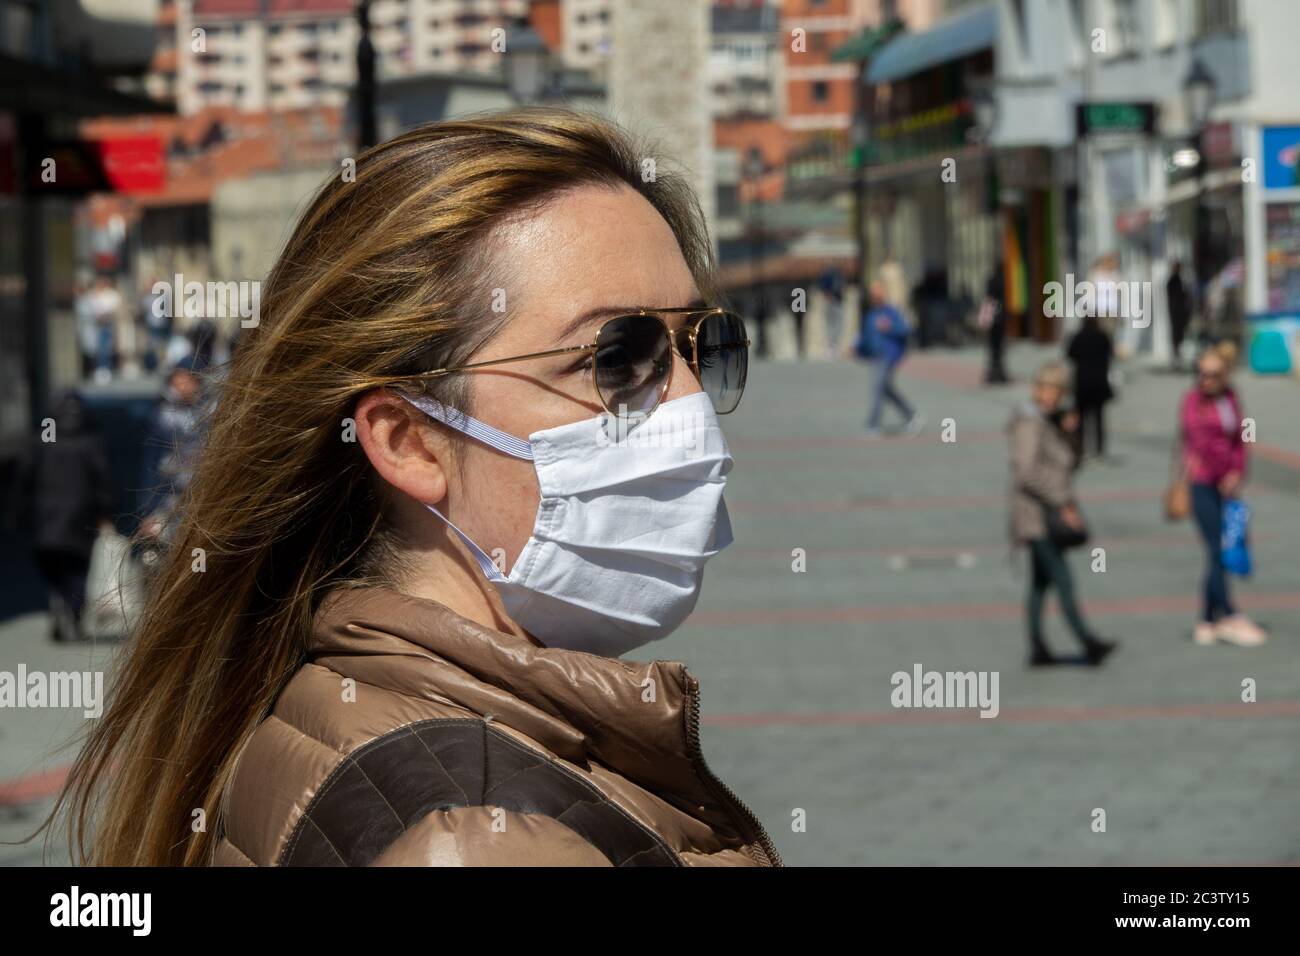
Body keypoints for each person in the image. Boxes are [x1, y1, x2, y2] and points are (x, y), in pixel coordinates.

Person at [48, 109, 780, 868]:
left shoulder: (321, 707)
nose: (689, 403)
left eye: (702, 342)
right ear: (408, 440)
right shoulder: (475, 837)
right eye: (618, 356)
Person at [1007, 362, 1118, 667]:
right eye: (1046, 388)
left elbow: (1071, 464)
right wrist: (1062, 503)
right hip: (1037, 516)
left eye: (1057, 390)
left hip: (1046, 514)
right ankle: (1088, 641)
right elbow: (1027, 473)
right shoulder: (1030, 424)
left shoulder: (1049, 421)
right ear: (1036, 388)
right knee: (1063, 580)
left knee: (1040, 583)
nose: (1051, 396)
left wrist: (1071, 433)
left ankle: (1038, 648)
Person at [1179, 347, 1266, 646]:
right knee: (1217, 549)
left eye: (1213, 375)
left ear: (1225, 375)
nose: (1206, 381)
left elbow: (1243, 437)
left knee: (1223, 549)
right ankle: (1227, 615)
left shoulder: (1231, 398)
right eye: (1201, 374)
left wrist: (1238, 471)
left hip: (1227, 486)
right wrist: (1223, 474)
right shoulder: (1193, 402)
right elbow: (1201, 443)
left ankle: (1207, 619)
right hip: (1202, 483)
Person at [16, 390, 116, 642]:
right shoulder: (89, 439)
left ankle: (60, 602)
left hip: (47, 516)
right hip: (81, 515)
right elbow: (102, 479)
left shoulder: (46, 435)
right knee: (78, 568)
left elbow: (28, 471)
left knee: (55, 568)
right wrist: (106, 511)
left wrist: (20, 509)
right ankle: (73, 611)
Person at [138, 354, 209, 552]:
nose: (183, 384)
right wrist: (148, 511)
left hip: (200, 500)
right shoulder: (161, 417)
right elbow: (150, 465)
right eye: (179, 378)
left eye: (189, 379)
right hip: (168, 500)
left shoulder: (208, 414)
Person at [864, 279, 923, 437]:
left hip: (888, 355)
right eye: (872, 296)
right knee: (886, 389)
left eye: (876, 295)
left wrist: (889, 327)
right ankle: (912, 416)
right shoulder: (871, 314)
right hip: (876, 356)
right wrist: (858, 349)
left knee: (878, 388)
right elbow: (866, 337)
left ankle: (873, 424)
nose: (874, 298)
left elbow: (905, 329)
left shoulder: (891, 311)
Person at [1065, 315, 1114, 461]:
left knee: (1080, 418)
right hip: (1099, 382)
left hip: (1082, 382)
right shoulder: (1102, 336)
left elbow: (1070, 354)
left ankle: (1080, 448)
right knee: (1098, 418)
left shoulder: (1078, 336)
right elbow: (1110, 353)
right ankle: (1099, 449)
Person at [983, 259, 1009, 384]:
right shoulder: (1003, 282)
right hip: (1000, 317)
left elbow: (988, 299)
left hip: (993, 317)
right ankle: (997, 373)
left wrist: (986, 319)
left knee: (994, 348)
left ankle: (994, 373)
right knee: (998, 347)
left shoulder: (991, 281)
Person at [1166, 260, 1192, 371]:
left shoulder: (1182, 280)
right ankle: (1176, 358)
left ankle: (1179, 357)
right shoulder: (1172, 281)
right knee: (1176, 336)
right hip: (1176, 312)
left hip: (1182, 313)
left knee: (1180, 336)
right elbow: (1177, 297)